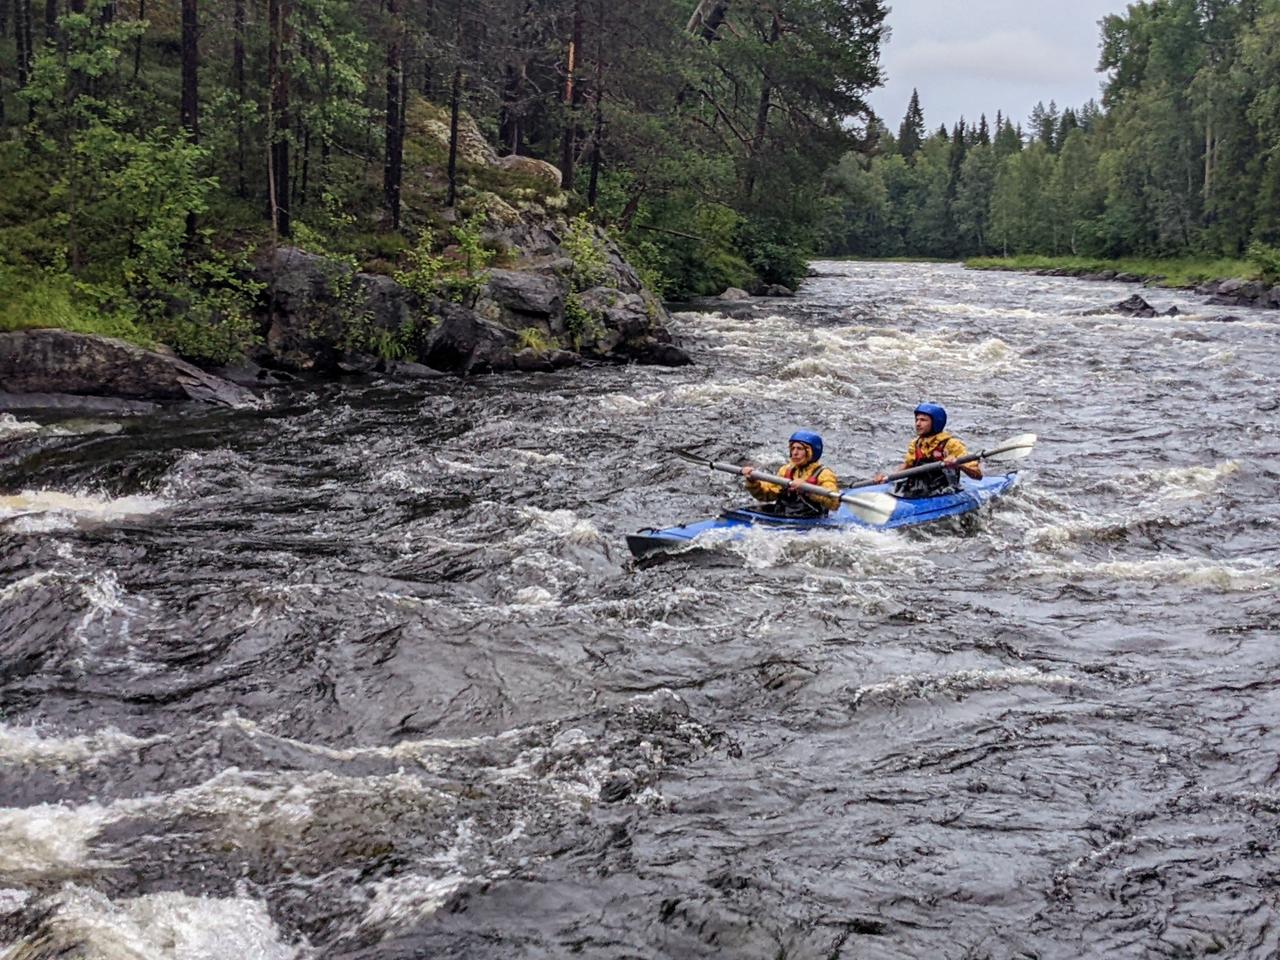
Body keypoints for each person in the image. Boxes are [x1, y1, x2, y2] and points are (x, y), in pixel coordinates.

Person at [873, 403, 981, 498]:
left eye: (923, 420)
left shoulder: (951, 444)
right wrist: (887, 478)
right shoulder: (916, 444)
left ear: (935, 423)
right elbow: (907, 467)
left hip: (943, 491)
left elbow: (977, 475)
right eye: (917, 420)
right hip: (920, 490)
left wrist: (958, 463)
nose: (918, 424)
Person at [740, 431, 840, 517]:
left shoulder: (824, 474)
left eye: (800, 449)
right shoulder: (786, 470)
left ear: (811, 452)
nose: (794, 453)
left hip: (810, 519)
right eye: (792, 448)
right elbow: (767, 495)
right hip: (784, 514)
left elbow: (834, 503)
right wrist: (753, 482)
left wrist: (808, 490)